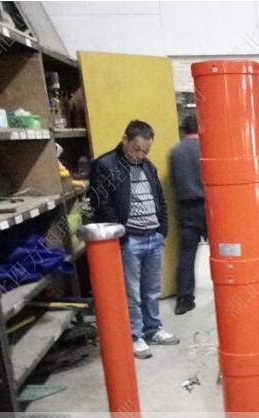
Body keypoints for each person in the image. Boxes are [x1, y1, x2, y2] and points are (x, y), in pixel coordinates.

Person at [89, 120, 179, 359]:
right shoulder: (105, 165)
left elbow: (159, 199)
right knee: (132, 293)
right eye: (136, 149)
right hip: (130, 240)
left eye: (145, 151)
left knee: (152, 290)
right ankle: (135, 336)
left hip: (153, 237)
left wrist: (162, 229)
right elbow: (101, 203)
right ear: (125, 140)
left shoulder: (148, 166)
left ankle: (153, 329)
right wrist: (122, 235)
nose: (140, 155)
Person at [170, 115, 207, 315]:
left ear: (183, 130)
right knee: (224, 251)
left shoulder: (175, 152)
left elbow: (175, 183)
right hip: (210, 207)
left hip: (186, 209)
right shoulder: (208, 149)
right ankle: (229, 287)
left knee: (187, 254)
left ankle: (184, 300)